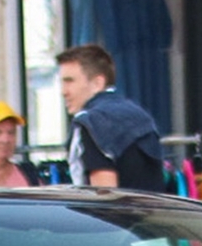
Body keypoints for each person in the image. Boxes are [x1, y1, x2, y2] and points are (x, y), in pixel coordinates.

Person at [56, 44, 168, 192]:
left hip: (119, 213)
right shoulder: (141, 116)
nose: (63, 91)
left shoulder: (91, 122)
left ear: (97, 83)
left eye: (70, 81)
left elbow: (104, 198)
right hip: (153, 212)